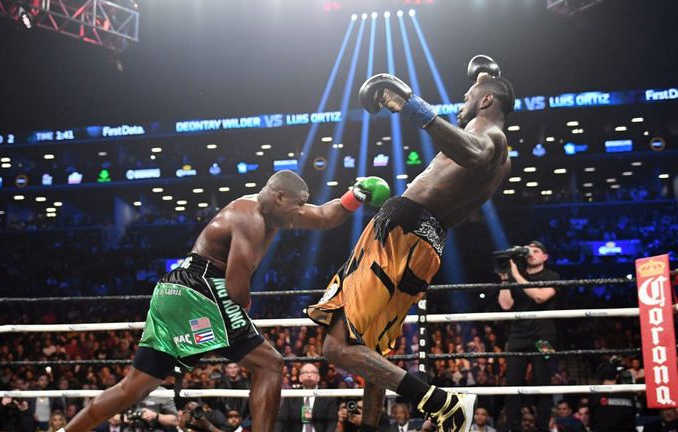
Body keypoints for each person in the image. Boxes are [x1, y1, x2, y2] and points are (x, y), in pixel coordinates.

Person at [60, 170, 389, 432]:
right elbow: (235, 289)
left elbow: (322, 216)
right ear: (278, 197)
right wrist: (242, 308)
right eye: (297, 204)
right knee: (270, 365)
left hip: (173, 292)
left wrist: (355, 196)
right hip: (202, 289)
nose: (300, 210)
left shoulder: (276, 211)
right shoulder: (249, 219)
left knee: (135, 386)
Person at [309, 55, 515, 432]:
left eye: (470, 96)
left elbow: (471, 152)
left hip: (400, 230)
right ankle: (371, 426)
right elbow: (469, 147)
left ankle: (441, 402)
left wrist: (409, 104)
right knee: (370, 346)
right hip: (427, 242)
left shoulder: (490, 139)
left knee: (336, 347)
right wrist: (488, 77)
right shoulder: (501, 153)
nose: (462, 101)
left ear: (486, 102)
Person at [498, 241, 559, 431]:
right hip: (518, 335)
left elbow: (540, 297)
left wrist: (516, 275)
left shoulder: (552, 276)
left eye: (536, 250)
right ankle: (513, 428)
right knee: (512, 385)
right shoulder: (517, 277)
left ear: (545, 256)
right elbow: (505, 305)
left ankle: (542, 428)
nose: (531, 253)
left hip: (544, 338)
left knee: (543, 384)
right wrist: (506, 279)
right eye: (529, 251)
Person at [276, 362, 339, 432]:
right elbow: (281, 420)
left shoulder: (328, 397)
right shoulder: (291, 396)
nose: (309, 375)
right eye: (305, 372)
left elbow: (332, 422)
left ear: (318, 377)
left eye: (313, 372)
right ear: (300, 378)